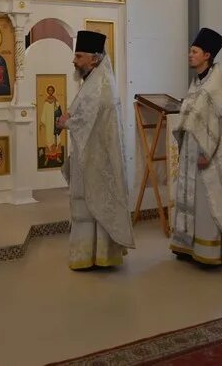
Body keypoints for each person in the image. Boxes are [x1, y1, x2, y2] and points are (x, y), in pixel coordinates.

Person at [170, 28, 222, 266]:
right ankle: (187, 245)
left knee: (207, 202)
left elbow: (220, 125)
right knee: (191, 199)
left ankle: (209, 250)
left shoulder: (217, 85)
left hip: (208, 155)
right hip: (191, 152)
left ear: (207, 55)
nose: (189, 55)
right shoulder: (197, 83)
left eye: (194, 51)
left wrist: (207, 152)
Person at [56, 30, 135, 270]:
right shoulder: (93, 80)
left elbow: (88, 119)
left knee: (97, 202)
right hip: (89, 155)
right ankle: (87, 254)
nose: (74, 61)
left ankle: (100, 255)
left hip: (99, 159)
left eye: (79, 56)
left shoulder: (102, 84)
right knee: (87, 204)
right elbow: (84, 113)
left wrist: (66, 122)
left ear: (95, 58)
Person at [39, 85, 63, 167]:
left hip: (55, 124)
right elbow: (44, 113)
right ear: (47, 91)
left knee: (56, 139)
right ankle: (47, 158)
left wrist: (58, 120)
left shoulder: (56, 101)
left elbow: (59, 112)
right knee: (49, 139)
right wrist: (42, 122)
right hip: (49, 124)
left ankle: (57, 157)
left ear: (53, 91)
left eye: (51, 90)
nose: (50, 91)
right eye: (49, 90)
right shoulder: (45, 102)